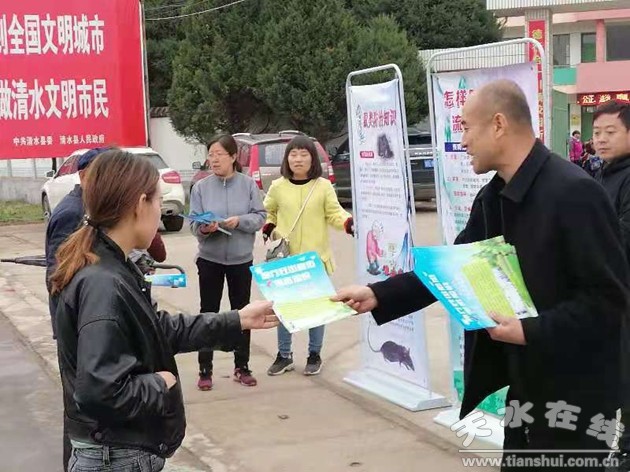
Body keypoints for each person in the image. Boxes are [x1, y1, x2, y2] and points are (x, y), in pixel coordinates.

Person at [334, 80, 630, 471]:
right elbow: (452, 267)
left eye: (466, 127)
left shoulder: (574, 193)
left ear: (499, 124)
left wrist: (529, 330)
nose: (462, 140)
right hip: (525, 384)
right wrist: (379, 294)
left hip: (577, 393)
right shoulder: (494, 197)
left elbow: (608, 302)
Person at [50, 149, 277, 472]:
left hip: (119, 449)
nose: (160, 213)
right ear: (139, 204)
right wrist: (160, 383)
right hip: (116, 456)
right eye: (158, 201)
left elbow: (155, 329)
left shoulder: (111, 265)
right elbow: (100, 392)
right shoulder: (103, 283)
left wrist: (237, 319)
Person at [263, 135, 354, 376]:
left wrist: (348, 223)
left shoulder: (323, 186)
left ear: (312, 159)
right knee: (285, 308)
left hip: (315, 260)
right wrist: (268, 227)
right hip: (286, 259)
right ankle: (284, 355)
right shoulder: (278, 186)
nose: (298, 159)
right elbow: (269, 212)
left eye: (304, 154)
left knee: (317, 309)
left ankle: (314, 354)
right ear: (287, 159)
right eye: (293, 154)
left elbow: (334, 213)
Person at [190, 134, 266, 390]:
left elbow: (260, 217)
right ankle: (205, 369)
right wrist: (206, 228)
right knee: (208, 313)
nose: (214, 159)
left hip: (241, 260)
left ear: (233, 157)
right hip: (209, 259)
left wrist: (239, 221)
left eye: (219, 154)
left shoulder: (248, 185)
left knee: (242, 313)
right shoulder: (201, 187)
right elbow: (193, 224)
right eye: (211, 154)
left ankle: (242, 366)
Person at [591, 100, 630, 469]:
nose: (601, 139)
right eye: (597, 132)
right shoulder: (601, 174)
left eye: (611, 132)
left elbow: (623, 235)